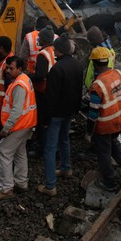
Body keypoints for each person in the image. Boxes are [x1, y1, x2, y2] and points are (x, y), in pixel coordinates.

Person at [38, 34, 83, 197]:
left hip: (56, 114)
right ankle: (66, 168)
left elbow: (51, 97)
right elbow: (79, 90)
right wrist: (75, 110)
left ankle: (50, 186)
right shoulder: (77, 65)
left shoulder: (56, 69)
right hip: (69, 111)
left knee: (50, 149)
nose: (54, 51)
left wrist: (45, 119)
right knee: (64, 139)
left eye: (55, 49)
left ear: (61, 51)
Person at [0, 56, 37, 201]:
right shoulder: (24, 79)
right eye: (7, 68)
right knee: (20, 152)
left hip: (19, 125)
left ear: (20, 69)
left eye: (11, 68)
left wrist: (6, 128)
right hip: (27, 123)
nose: (8, 71)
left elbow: (16, 111)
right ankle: (21, 183)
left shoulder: (18, 86)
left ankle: (6, 188)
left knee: (4, 151)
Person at [87, 46, 121, 192]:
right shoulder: (119, 74)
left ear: (94, 64)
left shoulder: (98, 85)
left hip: (105, 125)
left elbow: (93, 113)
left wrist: (89, 133)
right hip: (120, 120)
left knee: (104, 152)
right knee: (114, 144)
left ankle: (109, 181)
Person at [27, 26, 56, 156]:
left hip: (43, 91)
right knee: (50, 121)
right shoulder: (54, 50)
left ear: (43, 40)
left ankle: (42, 147)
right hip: (52, 90)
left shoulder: (43, 54)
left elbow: (40, 75)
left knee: (42, 121)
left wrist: (27, 74)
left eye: (40, 38)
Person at [84, 25, 115, 90]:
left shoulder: (98, 54)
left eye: (89, 40)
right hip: (107, 80)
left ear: (93, 40)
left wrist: (94, 86)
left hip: (97, 85)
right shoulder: (109, 47)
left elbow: (98, 72)